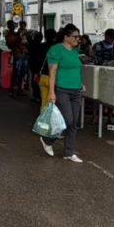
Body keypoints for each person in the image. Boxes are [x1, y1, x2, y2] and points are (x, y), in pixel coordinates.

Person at [41, 23, 84, 163]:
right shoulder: (56, 50)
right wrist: (51, 92)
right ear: (66, 37)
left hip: (75, 90)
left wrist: (80, 84)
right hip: (62, 89)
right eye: (75, 37)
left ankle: (69, 152)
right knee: (67, 119)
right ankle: (47, 139)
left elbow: (75, 69)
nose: (78, 39)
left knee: (74, 123)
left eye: (79, 37)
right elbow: (52, 72)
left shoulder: (75, 51)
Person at [38, 29, 58, 109]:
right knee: (52, 103)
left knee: (44, 102)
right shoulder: (57, 48)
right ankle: (50, 120)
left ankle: (42, 120)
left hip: (43, 76)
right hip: (53, 78)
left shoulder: (41, 46)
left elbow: (37, 61)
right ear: (54, 37)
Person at [28, 31, 44, 102]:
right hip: (39, 65)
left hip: (33, 64)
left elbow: (28, 38)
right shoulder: (41, 45)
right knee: (37, 80)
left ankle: (35, 95)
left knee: (34, 80)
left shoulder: (32, 44)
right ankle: (37, 95)